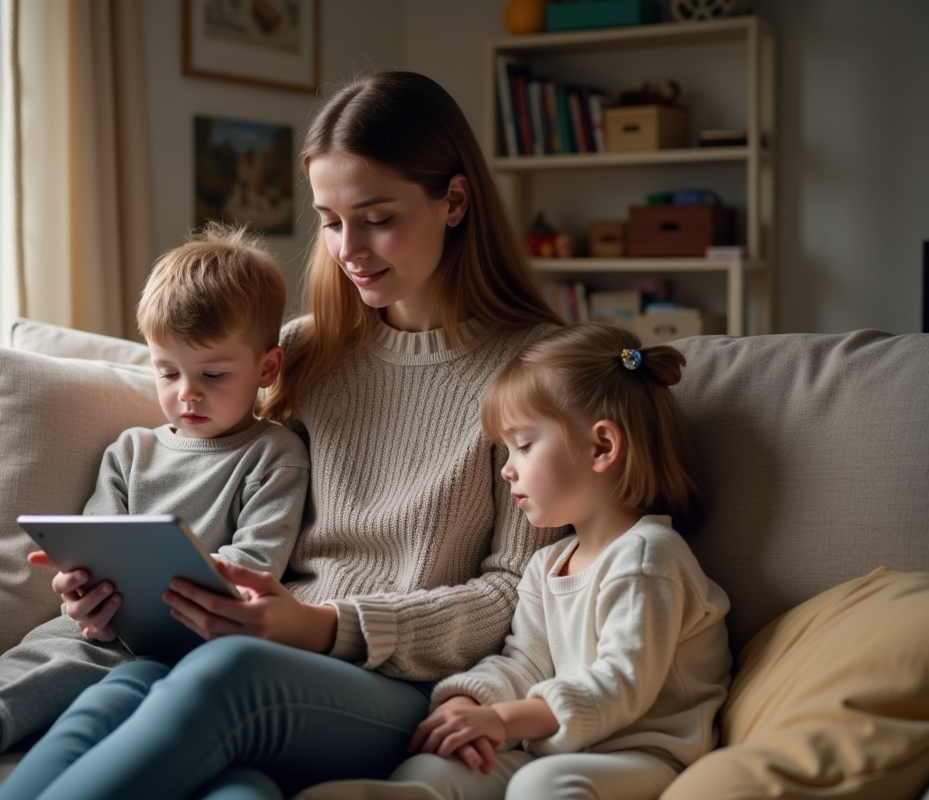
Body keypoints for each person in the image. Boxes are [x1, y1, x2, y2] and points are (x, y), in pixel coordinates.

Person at [0, 70, 567, 800]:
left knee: (225, 676)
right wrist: (113, 594)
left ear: (453, 201)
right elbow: (229, 490)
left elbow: (518, 594)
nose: (348, 247)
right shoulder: (303, 354)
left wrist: (322, 626)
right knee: (154, 703)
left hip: (399, 684)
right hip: (260, 652)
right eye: (330, 220)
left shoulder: (537, 374)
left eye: (377, 217)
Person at [0, 223, 310, 775]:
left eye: (213, 373)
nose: (187, 392)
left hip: (203, 641)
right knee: (56, 638)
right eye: (167, 371)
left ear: (266, 368)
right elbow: (97, 542)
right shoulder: (130, 452)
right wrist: (77, 589)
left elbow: (256, 566)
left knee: (91, 664)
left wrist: (181, 584)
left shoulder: (274, 454)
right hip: (112, 622)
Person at [303, 323, 734, 800]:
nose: (508, 467)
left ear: (602, 447)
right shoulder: (547, 564)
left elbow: (620, 684)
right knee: (437, 768)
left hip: (647, 756)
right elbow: (524, 663)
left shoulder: (649, 555)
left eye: (524, 445)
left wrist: (504, 718)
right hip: (556, 749)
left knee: (540, 785)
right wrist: (472, 700)